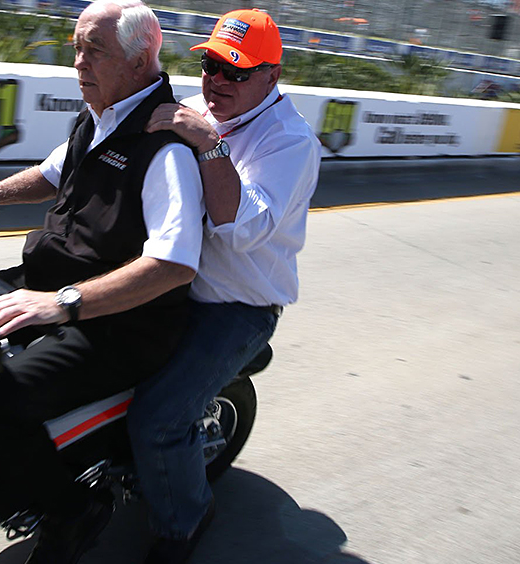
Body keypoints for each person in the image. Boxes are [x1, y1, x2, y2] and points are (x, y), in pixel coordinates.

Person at [0, 1, 205, 563]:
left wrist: (62, 304)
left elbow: (176, 261)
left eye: (95, 51)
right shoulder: (100, 115)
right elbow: (52, 173)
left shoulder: (164, 144)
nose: (79, 63)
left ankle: (71, 513)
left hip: (120, 325)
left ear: (140, 61)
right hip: (62, 292)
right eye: (76, 47)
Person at [127, 8, 322, 564]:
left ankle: (184, 520)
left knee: (159, 419)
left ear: (271, 77)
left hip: (236, 305)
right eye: (213, 64)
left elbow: (241, 231)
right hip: (169, 279)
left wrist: (209, 144)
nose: (217, 81)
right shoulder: (192, 109)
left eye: (236, 72)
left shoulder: (289, 142)